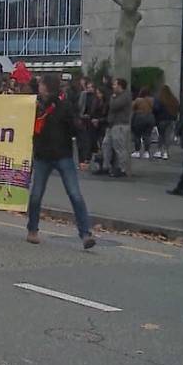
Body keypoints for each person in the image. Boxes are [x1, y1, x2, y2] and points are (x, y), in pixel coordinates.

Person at [27, 74, 97, 249]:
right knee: (36, 195)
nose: (39, 86)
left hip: (62, 155)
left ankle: (85, 233)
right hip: (43, 155)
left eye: (41, 84)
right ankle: (32, 228)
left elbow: (78, 130)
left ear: (47, 87)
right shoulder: (35, 106)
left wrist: (83, 156)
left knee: (74, 194)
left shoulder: (64, 107)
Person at [98, 78, 132, 177]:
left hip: (120, 124)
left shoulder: (125, 96)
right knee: (106, 144)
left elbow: (113, 105)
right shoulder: (116, 95)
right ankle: (106, 166)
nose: (113, 87)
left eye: (115, 85)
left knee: (119, 147)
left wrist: (113, 97)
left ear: (120, 86)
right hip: (111, 124)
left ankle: (122, 169)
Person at [153, 85, 179, 160]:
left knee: (161, 135)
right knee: (167, 136)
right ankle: (165, 152)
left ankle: (159, 151)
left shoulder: (159, 99)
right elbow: (177, 108)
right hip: (171, 120)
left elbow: (155, 109)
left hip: (161, 120)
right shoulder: (173, 99)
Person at [76, 79, 97, 167]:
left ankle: (87, 158)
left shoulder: (96, 97)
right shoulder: (83, 95)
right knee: (83, 141)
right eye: (88, 87)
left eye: (91, 87)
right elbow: (80, 106)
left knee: (89, 141)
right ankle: (83, 159)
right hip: (83, 119)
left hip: (91, 120)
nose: (89, 89)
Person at [131, 87, 155, 159]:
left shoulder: (138, 100)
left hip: (139, 117)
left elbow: (133, 107)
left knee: (137, 135)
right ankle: (146, 152)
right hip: (150, 117)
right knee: (147, 135)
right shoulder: (152, 100)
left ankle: (137, 151)